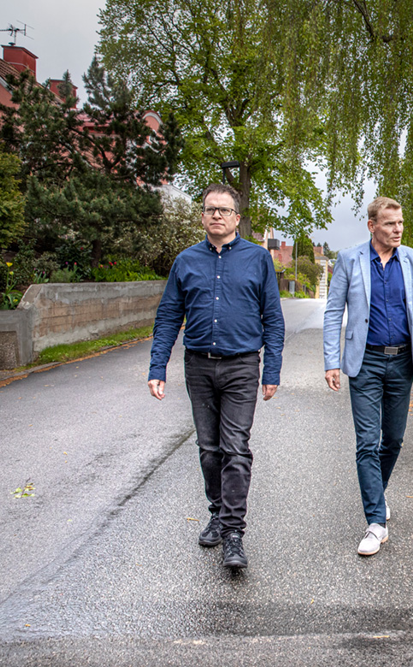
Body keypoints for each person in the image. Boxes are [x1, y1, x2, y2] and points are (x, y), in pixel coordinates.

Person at [148, 183, 284, 570]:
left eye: (224, 210)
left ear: (237, 218)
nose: (217, 215)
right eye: (210, 209)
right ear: (202, 216)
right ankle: (217, 511)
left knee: (236, 449)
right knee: (209, 450)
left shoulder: (258, 259)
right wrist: (158, 366)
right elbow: (169, 317)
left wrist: (270, 370)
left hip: (242, 366)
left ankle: (233, 533)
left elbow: (273, 319)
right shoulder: (185, 261)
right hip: (199, 367)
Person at [323, 196, 413, 556]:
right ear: (372, 226)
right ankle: (376, 522)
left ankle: (377, 493)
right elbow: (333, 312)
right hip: (366, 362)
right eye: (390, 223)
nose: (398, 230)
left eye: (401, 223)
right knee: (366, 442)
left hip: (402, 363)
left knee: (392, 439)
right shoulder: (349, 260)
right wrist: (332, 360)